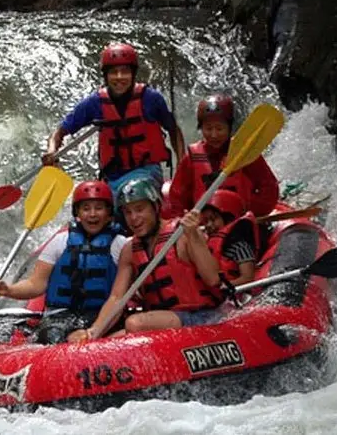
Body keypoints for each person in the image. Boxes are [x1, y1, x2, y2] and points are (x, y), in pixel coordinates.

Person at [71, 177, 223, 341]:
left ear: (156, 207)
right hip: (164, 322)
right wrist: (93, 332)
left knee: (135, 324)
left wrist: (193, 235)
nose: (134, 218)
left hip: (202, 317)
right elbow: (117, 298)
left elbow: (213, 278)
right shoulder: (129, 250)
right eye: (127, 212)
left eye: (139, 209)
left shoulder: (183, 233)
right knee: (107, 342)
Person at [0, 180, 128, 344]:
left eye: (99, 208)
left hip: (99, 314)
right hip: (60, 315)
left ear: (109, 213)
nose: (92, 214)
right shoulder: (60, 242)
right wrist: (9, 290)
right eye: (86, 208)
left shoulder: (120, 244)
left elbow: (123, 291)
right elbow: (36, 284)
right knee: (51, 336)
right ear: (78, 214)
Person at [42, 42, 185, 198]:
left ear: (133, 74)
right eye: (113, 72)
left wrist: (182, 166)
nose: (119, 77)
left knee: (133, 193)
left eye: (125, 72)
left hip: (147, 172)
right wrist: (51, 151)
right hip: (112, 176)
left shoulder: (151, 99)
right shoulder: (94, 103)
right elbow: (59, 132)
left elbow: (174, 131)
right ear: (106, 76)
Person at [168, 94, 279, 218]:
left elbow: (269, 188)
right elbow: (177, 196)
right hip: (204, 225)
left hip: (239, 221)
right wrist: (183, 221)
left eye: (219, 129)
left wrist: (251, 211)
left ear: (230, 127)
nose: (214, 135)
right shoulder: (192, 158)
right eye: (208, 129)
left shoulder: (244, 153)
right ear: (201, 128)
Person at [201, 190, 259, 286]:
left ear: (228, 218)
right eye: (205, 221)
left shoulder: (240, 247)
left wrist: (225, 286)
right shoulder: (205, 243)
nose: (209, 225)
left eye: (213, 219)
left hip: (235, 293)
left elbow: (248, 278)